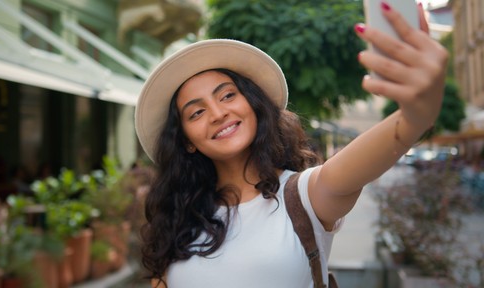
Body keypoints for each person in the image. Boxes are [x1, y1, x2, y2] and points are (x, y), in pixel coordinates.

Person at [134, 2, 448, 287]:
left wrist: (417, 113)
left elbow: (393, 137)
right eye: (197, 112)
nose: (218, 114)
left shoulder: (304, 197)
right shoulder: (177, 219)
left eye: (228, 95)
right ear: (186, 141)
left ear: (253, 106)